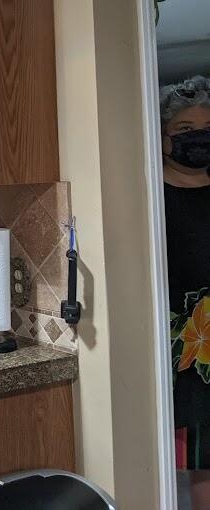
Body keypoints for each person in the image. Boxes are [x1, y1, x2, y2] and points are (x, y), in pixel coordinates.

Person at [163, 75, 210, 507]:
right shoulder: (151, 196)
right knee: (196, 453)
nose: (199, 138)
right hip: (184, 347)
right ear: (162, 139)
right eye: (185, 130)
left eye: (206, 128)